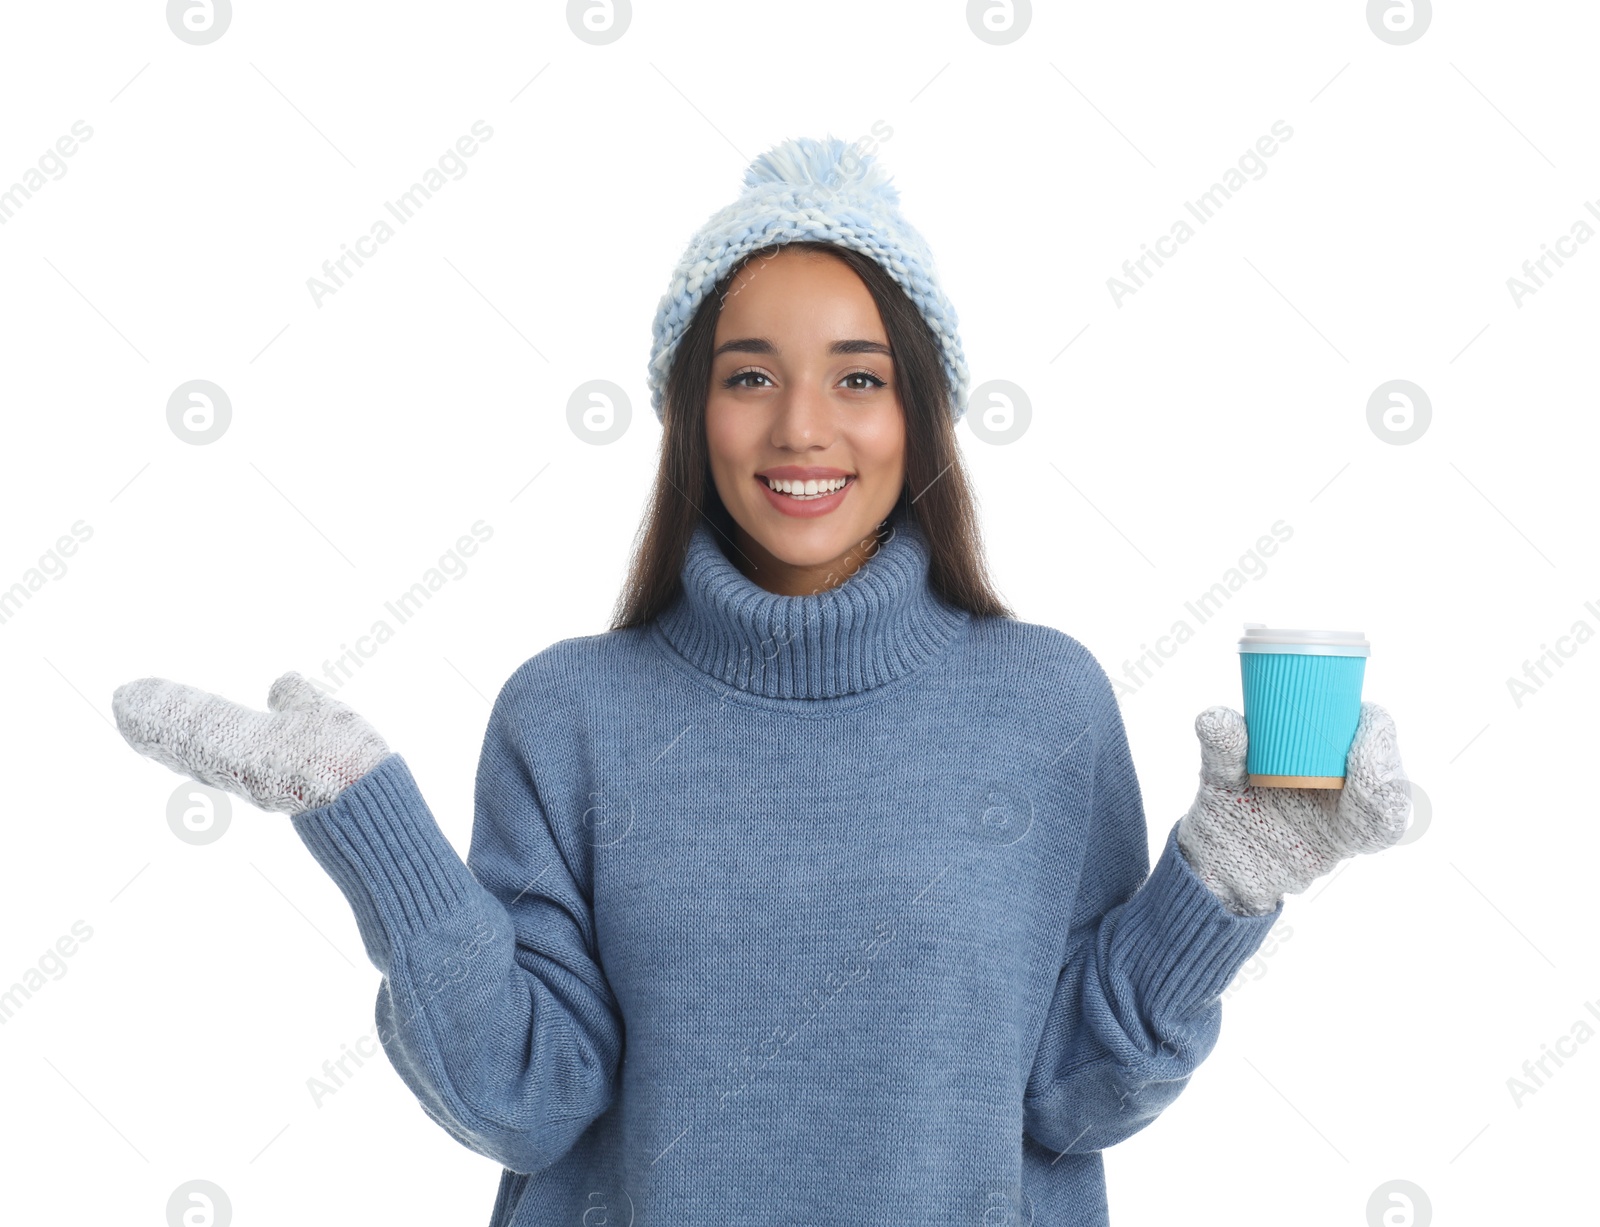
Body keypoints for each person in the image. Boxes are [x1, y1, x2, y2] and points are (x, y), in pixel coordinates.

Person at [111, 135, 1412, 1226]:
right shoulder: (571, 716)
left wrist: (1227, 876)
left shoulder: (1040, 705)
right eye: (750, 378)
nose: (802, 427)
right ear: (691, 411)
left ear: (922, 417)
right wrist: (368, 823)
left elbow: (1073, 1096)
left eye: (860, 377)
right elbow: (524, 1101)